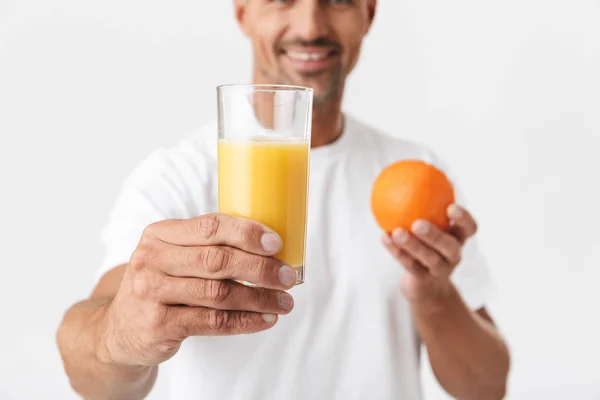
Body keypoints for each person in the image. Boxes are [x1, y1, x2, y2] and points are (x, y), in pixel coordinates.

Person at [57, 1, 510, 399]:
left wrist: (434, 297)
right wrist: (123, 333)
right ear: (242, 12)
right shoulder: (176, 177)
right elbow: (91, 379)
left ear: (369, 13)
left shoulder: (416, 174)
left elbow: (486, 388)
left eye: (337, 0)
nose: (309, 24)